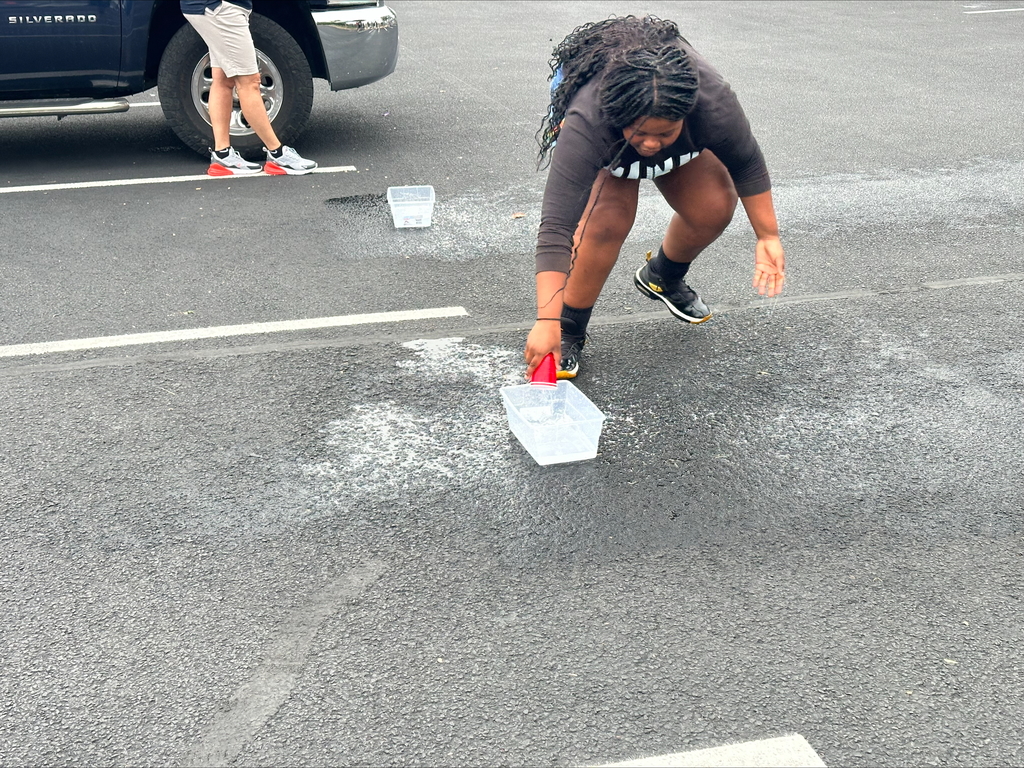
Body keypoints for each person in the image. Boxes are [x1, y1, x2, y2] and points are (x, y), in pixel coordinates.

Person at [524, 16, 786, 379]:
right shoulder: (590, 119)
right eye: (641, 132)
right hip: (611, 139)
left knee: (713, 205)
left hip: (666, 126)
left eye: (663, 133)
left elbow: (747, 164)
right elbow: (555, 227)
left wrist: (768, 236)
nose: (649, 144)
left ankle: (663, 275)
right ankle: (570, 328)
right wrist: (547, 320)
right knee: (607, 220)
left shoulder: (712, 104)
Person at [180, 0, 317, 176]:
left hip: (214, 8)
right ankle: (278, 154)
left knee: (223, 79)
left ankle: (222, 156)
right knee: (249, 82)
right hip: (221, 9)